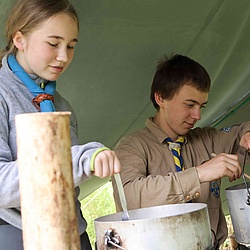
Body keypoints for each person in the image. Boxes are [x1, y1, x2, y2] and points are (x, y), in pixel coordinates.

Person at [0, 0, 121, 249]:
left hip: (72, 232)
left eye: (71, 46)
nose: (63, 56)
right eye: (53, 44)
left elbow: (67, 183)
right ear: (19, 39)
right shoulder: (2, 95)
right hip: (17, 235)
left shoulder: (60, 103)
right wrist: (76, 160)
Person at [112, 54, 250, 248]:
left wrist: (247, 132)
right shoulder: (132, 146)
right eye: (190, 104)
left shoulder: (207, 140)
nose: (198, 115)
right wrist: (199, 174)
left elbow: (240, 133)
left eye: (202, 106)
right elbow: (130, 197)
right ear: (160, 98)